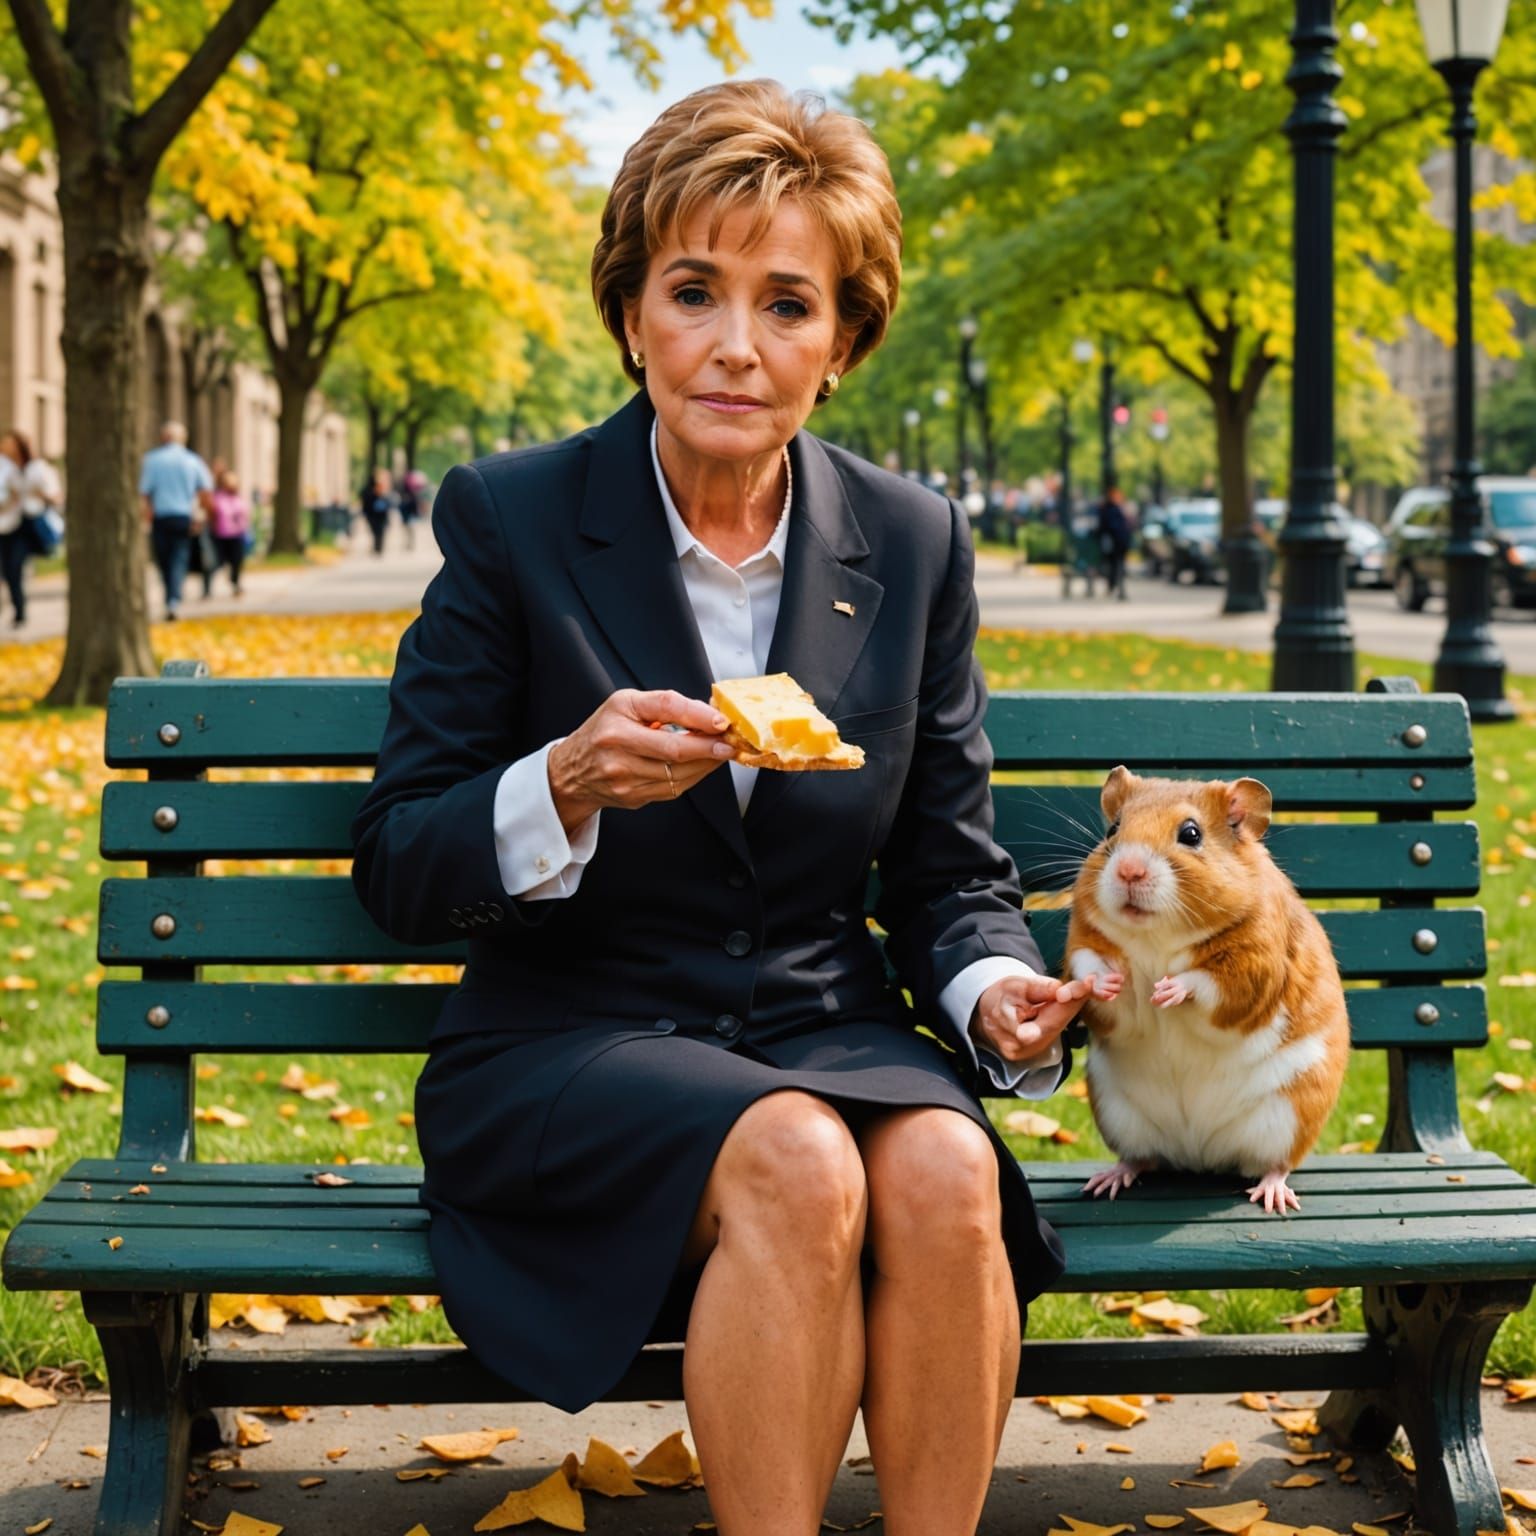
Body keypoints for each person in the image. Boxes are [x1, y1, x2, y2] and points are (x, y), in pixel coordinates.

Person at [349, 80, 1091, 1536]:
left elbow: (949, 869)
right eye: (695, 290)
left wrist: (999, 989)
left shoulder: (914, 541)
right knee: (797, 1151)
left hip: (828, 1022)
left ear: (845, 343)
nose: (737, 346)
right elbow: (399, 856)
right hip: (568, 1037)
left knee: (946, 1164)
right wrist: (559, 784)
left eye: (790, 305)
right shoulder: (513, 519)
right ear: (632, 312)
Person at [139, 421, 213, 621]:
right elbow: (206, 491)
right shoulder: (193, 460)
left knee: (163, 559)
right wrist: (201, 516)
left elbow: (145, 493)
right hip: (183, 517)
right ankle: (174, 598)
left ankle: (170, 597)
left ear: (164, 438)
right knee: (179, 558)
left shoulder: (152, 460)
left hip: (161, 517)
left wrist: (145, 519)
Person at [207, 468, 252, 597]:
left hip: (237, 534)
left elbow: (245, 514)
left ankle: (235, 583)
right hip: (221, 535)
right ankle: (207, 587)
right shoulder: (218, 497)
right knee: (217, 562)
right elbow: (213, 514)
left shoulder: (239, 498)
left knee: (237, 561)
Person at [0, 440, 23, 628]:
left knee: (12, 571)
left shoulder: (8, 468)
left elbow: (17, 494)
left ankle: (19, 610)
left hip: (11, 526)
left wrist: (4, 507)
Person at [1096, 483, 1131, 602]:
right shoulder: (1111, 510)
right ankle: (1116, 588)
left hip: (1118, 543)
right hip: (1115, 542)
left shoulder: (1115, 509)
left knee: (1116, 566)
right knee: (1115, 566)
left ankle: (1116, 588)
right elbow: (1111, 527)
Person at [359, 466, 392, 556]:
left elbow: (387, 500)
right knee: (376, 530)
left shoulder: (383, 486)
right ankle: (377, 547)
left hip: (380, 513)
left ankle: (379, 547)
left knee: (380, 530)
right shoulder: (369, 489)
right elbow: (365, 499)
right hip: (373, 513)